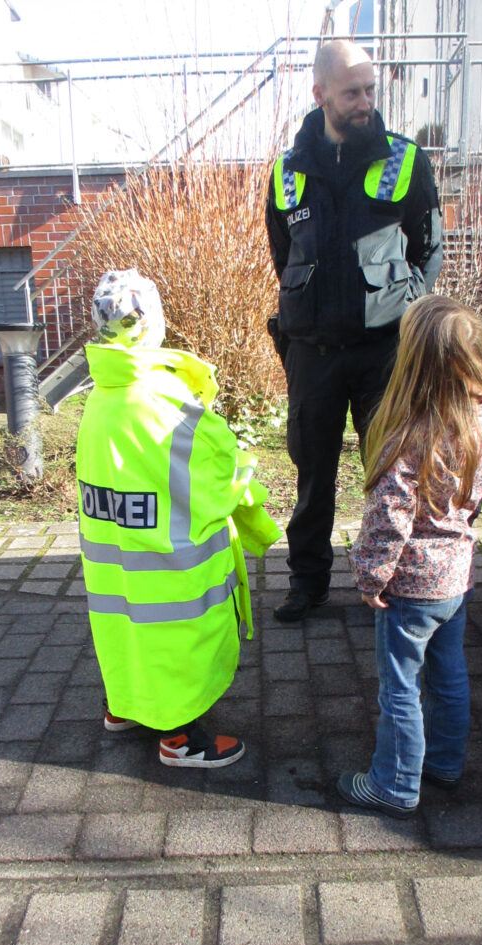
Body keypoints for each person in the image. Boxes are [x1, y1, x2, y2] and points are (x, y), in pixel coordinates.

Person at [265, 38, 442, 622]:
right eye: (352, 92)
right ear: (320, 95)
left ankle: (390, 578)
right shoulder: (286, 172)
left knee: (391, 473)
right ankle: (308, 584)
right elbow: (284, 252)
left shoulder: (406, 160)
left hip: (383, 352)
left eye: (370, 89)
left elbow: (427, 251)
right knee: (312, 476)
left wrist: (401, 314)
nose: (366, 101)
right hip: (311, 353)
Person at [76, 269, 281, 768]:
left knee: (125, 630)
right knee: (177, 641)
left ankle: (123, 708)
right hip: (170, 565)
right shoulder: (162, 399)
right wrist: (257, 513)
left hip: (116, 563)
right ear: (152, 324)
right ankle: (179, 738)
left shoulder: (99, 398)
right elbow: (220, 469)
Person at [338, 295, 482, 817]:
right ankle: (444, 763)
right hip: (456, 576)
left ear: (414, 361)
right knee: (450, 673)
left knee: (400, 688)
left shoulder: (415, 432)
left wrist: (370, 578)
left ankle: (393, 784)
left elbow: (388, 519)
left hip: (410, 587)